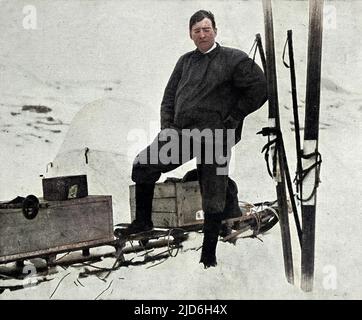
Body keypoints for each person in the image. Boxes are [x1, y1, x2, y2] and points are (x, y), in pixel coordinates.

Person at [119, 10, 267, 268]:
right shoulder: (185, 62)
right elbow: (168, 98)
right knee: (143, 165)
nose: (202, 34)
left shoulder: (234, 59)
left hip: (215, 137)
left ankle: (208, 255)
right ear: (190, 34)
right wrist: (167, 127)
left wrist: (234, 118)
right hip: (182, 134)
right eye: (197, 30)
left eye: (206, 29)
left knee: (213, 191)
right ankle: (143, 222)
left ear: (215, 31)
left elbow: (260, 88)